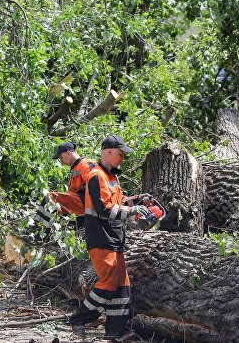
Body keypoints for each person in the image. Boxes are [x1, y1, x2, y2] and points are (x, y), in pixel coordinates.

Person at [69, 135, 150, 339]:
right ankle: (78, 319)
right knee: (107, 284)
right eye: (120, 153)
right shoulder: (96, 175)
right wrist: (132, 212)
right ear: (108, 151)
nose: (123, 157)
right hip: (101, 237)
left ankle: (114, 332)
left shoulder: (112, 177)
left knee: (123, 288)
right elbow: (104, 209)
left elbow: (117, 201)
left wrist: (134, 201)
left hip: (115, 238)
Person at [35, 141, 95, 227]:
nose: (62, 162)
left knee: (50, 198)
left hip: (87, 202)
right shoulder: (75, 168)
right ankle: (43, 234)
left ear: (68, 153)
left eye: (61, 158)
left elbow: (96, 184)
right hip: (81, 206)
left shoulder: (86, 164)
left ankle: (36, 231)